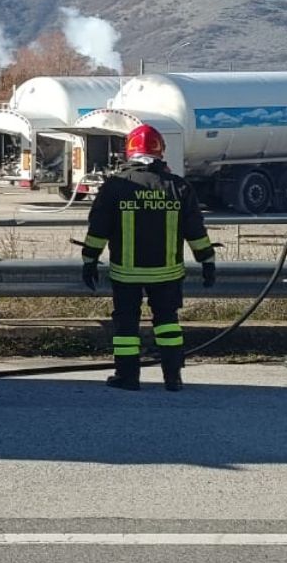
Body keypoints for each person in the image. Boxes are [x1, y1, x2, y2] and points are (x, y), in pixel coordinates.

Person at [80, 124, 216, 391]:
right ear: (160, 151)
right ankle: (173, 378)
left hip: (126, 274)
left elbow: (98, 229)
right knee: (167, 323)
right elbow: (195, 230)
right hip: (167, 274)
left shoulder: (115, 186)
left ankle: (127, 377)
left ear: (129, 151)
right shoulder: (178, 186)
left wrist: (89, 260)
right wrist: (207, 261)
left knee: (127, 327)